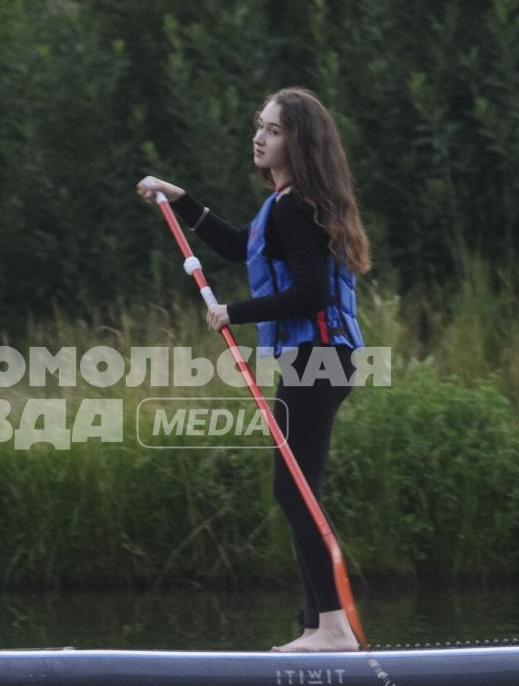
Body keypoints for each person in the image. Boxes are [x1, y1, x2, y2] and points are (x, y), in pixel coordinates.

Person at [136, 87, 371, 652]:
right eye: (259, 126)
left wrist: (233, 313)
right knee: (297, 491)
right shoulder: (285, 205)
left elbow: (313, 295)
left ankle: (331, 628)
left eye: (273, 129)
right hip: (318, 360)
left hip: (319, 358)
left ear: (300, 142)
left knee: (296, 493)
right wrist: (179, 199)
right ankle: (321, 625)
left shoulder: (294, 207)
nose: (259, 136)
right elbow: (243, 247)